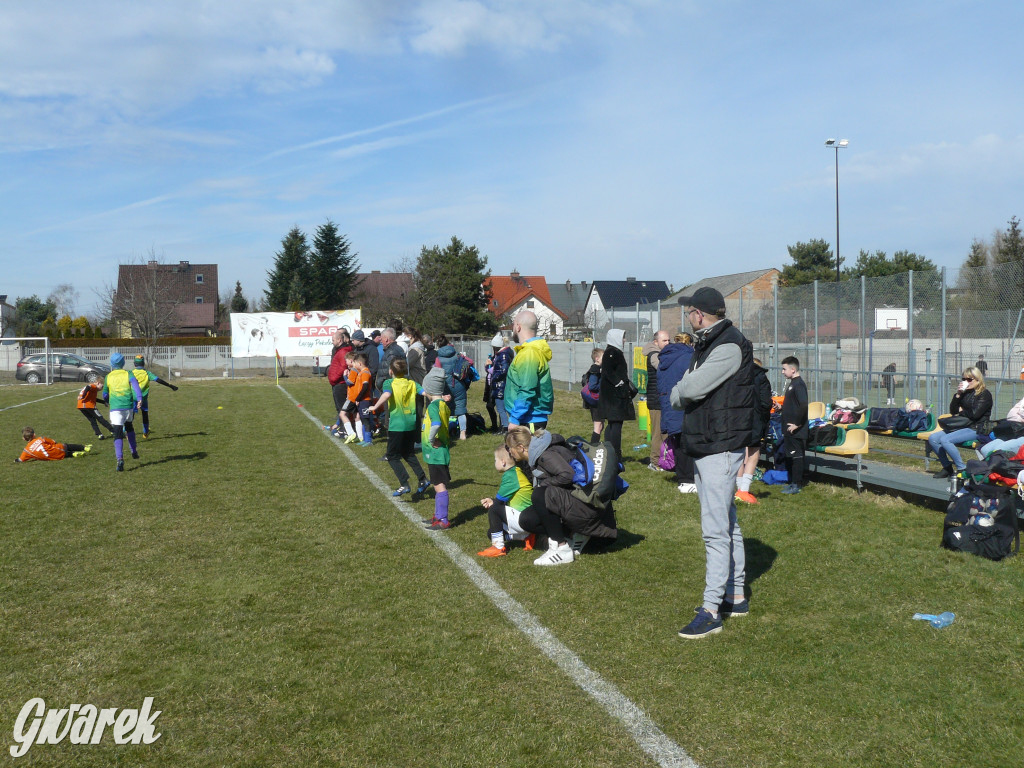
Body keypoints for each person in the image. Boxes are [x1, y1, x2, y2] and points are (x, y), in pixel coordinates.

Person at [671, 286, 757, 639]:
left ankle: (711, 610)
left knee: (715, 530)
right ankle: (735, 596)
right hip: (710, 442)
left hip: (719, 445)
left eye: (689, 311)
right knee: (727, 522)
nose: (687, 317)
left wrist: (679, 390)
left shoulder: (727, 344)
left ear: (700, 314)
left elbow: (687, 390)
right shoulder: (711, 341)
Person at [368, 359, 430, 498]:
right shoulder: (412, 383)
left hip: (397, 425)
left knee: (392, 456)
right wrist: (439, 398)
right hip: (411, 424)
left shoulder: (389, 383)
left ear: (391, 371)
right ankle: (423, 479)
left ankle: (404, 483)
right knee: (408, 453)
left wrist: (375, 406)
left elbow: (387, 394)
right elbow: (425, 393)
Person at [928, 367, 994, 478]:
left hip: (977, 428)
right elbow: (953, 411)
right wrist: (958, 394)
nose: (966, 382)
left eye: (969, 379)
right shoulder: (965, 393)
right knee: (933, 438)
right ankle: (947, 468)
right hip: (963, 425)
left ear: (978, 380)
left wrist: (962, 410)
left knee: (945, 440)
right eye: (964, 379)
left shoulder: (984, 394)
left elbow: (975, 415)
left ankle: (961, 468)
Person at [476, 446, 537, 557]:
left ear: (503, 462)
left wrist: (493, 502)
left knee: (494, 510)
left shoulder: (510, 476)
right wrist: (493, 501)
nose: (494, 462)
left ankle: (498, 548)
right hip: (524, 517)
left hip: (524, 518)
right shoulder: (515, 472)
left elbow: (498, 504)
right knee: (492, 533)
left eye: (495, 460)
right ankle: (527, 536)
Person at [658, 332, 697, 493]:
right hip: (684, 404)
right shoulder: (689, 358)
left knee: (678, 441)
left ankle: (682, 476)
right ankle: (687, 479)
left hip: (669, 404)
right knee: (687, 443)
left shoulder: (664, 359)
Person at [504, 310, 553, 430]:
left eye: (513, 325)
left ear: (518, 327)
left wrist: (515, 418)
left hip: (527, 420)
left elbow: (527, 388)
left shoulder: (529, 353)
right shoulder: (530, 351)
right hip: (526, 418)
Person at [735, 357, 772, 504]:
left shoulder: (736, 374)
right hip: (755, 419)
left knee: (738, 453)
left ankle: (738, 489)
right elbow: (765, 402)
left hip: (737, 419)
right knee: (753, 453)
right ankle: (743, 490)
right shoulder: (760, 377)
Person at [595, 329, 635, 460]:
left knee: (613, 424)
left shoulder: (612, 352)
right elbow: (608, 371)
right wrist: (619, 383)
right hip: (614, 397)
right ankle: (615, 454)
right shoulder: (612, 352)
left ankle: (609, 451)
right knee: (616, 425)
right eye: (622, 337)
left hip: (612, 396)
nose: (624, 340)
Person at [421, 368, 453, 530]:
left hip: (436, 453)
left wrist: (431, 439)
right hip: (440, 452)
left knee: (439, 485)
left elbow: (436, 424)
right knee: (436, 483)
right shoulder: (442, 404)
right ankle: (438, 515)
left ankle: (443, 519)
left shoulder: (433, 407)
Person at [102, 352, 144, 472]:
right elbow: (136, 386)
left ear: (111, 363)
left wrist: (106, 400)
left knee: (117, 432)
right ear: (123, 363)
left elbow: (105, 393)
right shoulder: (128, 373)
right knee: (129, 427)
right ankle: (134, 451)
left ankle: (120, 459)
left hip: (115, 407)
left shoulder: (108, 376)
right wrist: (139, 398)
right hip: (128, 406)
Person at [779, 356, 808, 495]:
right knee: (791, 456)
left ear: (793, 369)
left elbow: (803, 405)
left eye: (784, 369)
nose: (782, 372)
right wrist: (781, 407)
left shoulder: (799, 385)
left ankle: (797, 484)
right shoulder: (792, 384)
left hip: (796, 430)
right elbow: (794, 405)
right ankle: (792, 483)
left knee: (797, 456)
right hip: (789, 428)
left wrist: (797, 423)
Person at [130, 355, 179, 437]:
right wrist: (170, 386)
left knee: (131, 415)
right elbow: (158, 380)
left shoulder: (131, 373)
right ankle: (145, 432)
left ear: (134, 364)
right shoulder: (147, 373)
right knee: (144, 414)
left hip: (133, 397)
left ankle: (124, 430)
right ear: (143, 364)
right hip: (143, 398)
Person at [435, 335, 471, 440]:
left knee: (445, 410)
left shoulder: (438, 358)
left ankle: (446, 431)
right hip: (459, 384)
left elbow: (436, 372)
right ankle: (463, 433)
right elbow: (470, 362)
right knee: (461, 410)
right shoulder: (457, 354)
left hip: (446, 386)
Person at [643, 331, 670, 468]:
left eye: (668, 340)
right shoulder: (654, 355)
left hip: (661, 398)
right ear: (656, 342)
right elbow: (662, 368)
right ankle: (654, 462)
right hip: (656, 399)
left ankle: (664, 460)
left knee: (664, 432)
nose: (667, 343)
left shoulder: (660, 354)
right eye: (664, 341)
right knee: (658, 433)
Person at [327, 329, 354, 435]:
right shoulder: (339, 350)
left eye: (333, 340)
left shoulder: (342, 351)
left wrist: (334, 378)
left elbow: (343, 367)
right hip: (337, 383)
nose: (332, 342)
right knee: (340, 408)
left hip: (340, 384)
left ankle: (345, 430)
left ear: (339, 340)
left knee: (342, 408)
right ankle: (343, 428)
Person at [486, 334, 514, 434]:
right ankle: (505, 426)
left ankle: (505, 428)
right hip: (501, 384)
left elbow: (503, 370)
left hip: (500, 385)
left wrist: (494, 377)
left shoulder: (503, 355)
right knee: (502, 408)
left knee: (501, 408)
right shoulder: (504, 354)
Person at [15, 426, 89, 462]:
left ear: (24, 439)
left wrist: (15, 461)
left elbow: (20, 460)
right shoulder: (41, 438)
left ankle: (74, 454)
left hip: (55, 458)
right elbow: (54, 442)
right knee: (66, 446)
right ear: (34, 435)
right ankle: (84, 447)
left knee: (64, 454)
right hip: (59, 449)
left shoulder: (26, 450)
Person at [583, 348, 604, 443]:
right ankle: (593, 447)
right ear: (597, 358)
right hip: (595, 402)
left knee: (601, 425)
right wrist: (604, 385)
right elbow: (592, 386)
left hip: (598, 402)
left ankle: (595, 445)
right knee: (598, 426)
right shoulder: (595, 370)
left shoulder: (598, 369)